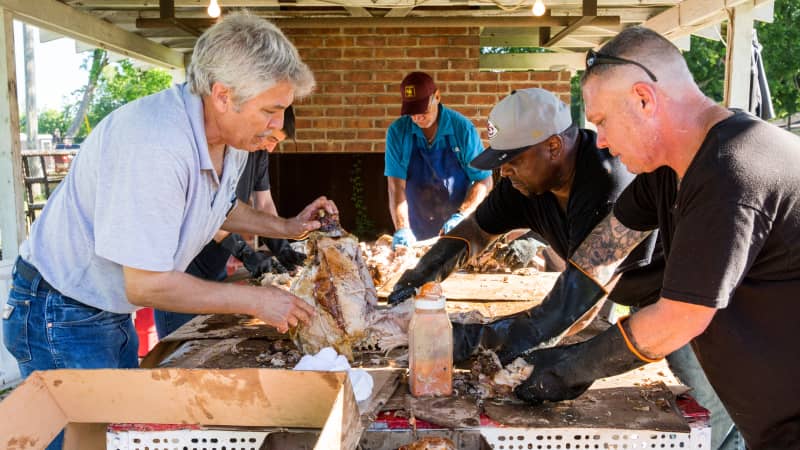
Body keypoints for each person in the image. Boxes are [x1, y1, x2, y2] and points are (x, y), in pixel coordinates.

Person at [3, 13, 328, 449]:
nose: (278, 125)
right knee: (88, 441)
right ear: (223, 95)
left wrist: (285, 227)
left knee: (116, 435)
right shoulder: (154, 145)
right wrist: (256, 299)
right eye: (270, 111)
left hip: (104, 308)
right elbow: (146, 285)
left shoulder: (229, 141)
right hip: (62, 310)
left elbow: (219, 206)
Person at [388, 88, 742, 450]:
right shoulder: (524, 182)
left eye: (511, 160)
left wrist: (480, 342)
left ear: (553, 147)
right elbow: (477, 230)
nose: (503, 171)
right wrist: (422, 275)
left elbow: (574, 307)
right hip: (638, 298)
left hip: (691, 303)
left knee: (709, 416)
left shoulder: (606, 179)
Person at [508, 27, 799, 449]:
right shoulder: (670, 169)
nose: (601, 141)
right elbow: (602, 255)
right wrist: (528, 329)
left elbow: (679, 318)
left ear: (644, 99)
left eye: (603, 122)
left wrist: (575, 366)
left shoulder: (729, 168)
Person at [153, 106, 307, 339]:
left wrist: (281, 246)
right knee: (179, 352)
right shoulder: (217, 150)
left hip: (215, 270)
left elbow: (264, 204)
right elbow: (205, 210)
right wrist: (244, 251)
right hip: (181, 274)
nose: (272, 146)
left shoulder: (257, 153)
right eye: (273, 138)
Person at [385, 71, 493, 248]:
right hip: (416, 227)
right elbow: (396, 185)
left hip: (458, 227)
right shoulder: (398, 132)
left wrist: (461, 216)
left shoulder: (462, 129)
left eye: (423, 110)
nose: (418, 117)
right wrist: (402, 228)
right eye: (412, 112)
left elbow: (484, 180)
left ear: (437, 96)